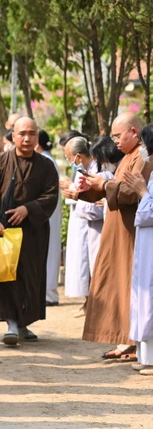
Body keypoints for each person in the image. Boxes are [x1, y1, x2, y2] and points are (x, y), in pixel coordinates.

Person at [0, 117, 59, 346]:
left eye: (32, 133)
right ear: (13, 136)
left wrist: (28, 209)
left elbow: (51, 196)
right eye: (22, 133)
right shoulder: (0, 162)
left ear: (37, 136)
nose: (27, 138)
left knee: (30, 277)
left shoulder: (46, 165)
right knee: (7, 277)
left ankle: (23, 323)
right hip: (4, 231)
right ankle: (12, 322)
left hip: (33, 233)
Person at [77, 113, 153, 361]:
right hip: (119, 230)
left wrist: (103, 185)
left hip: (131, 233)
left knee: (128, 288)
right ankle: (127, 341)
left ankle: (132, 343)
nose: (115, 141)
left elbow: (132, 192)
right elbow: (116, 188)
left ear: (134, 131)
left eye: (118, 136)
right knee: (118, 287)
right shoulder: (129, 157)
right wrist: (88, 189)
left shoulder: (142, 155)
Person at [61, 137, 104, 316]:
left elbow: (95, 208)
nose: (70, 162)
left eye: (69, 158)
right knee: (91, 268)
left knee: (98, 270)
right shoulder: (86, 170)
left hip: (99, 228)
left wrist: (76, 196)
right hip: (89, 227)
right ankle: (91, 305)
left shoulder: (97, 172)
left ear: (78, 157)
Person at [123, 124, 153, 375]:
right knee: (144, 296)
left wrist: (142, 192)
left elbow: (149, 213)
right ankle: (146, 357)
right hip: (146, 245)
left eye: (144, 144)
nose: (141, 149)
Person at [36, 130, 63, 307]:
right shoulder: (46, 160)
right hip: (46, 212)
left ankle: (50, 293)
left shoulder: (46, 162)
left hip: (48, 212)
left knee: (49, 250)